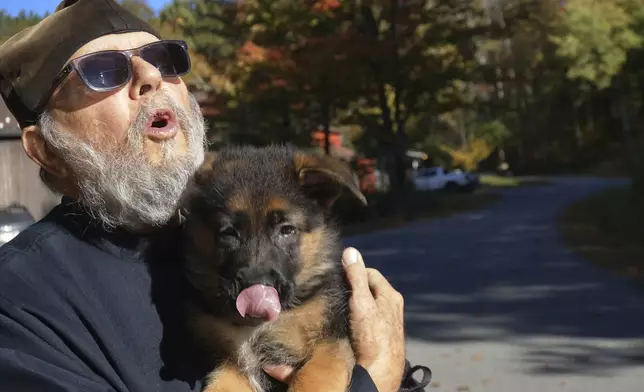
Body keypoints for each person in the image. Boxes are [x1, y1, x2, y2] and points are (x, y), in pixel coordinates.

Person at [0, 1, 431, 391]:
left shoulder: (225, 221)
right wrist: (373, 380)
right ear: (46, 150)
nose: (151, 77)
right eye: (103, 71)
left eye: (164, 60)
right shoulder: (20, 300)